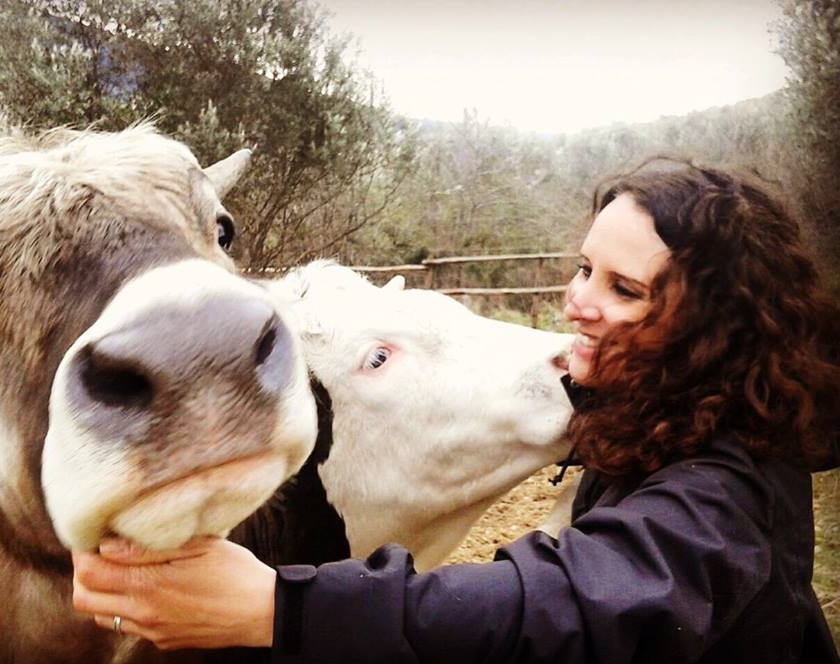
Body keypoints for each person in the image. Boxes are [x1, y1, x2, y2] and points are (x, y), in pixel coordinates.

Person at [72, 160, 840, 662]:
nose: (577, 303)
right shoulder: (671, 414)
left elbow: (562, 611)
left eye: (624, 289)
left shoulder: (726, 492)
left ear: (714, 326)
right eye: (583, 269)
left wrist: (279, 608)